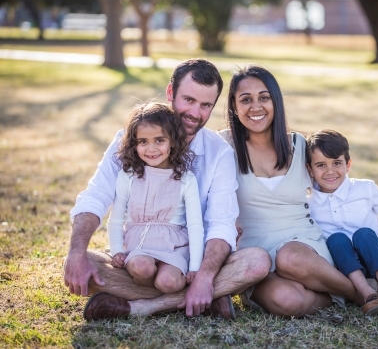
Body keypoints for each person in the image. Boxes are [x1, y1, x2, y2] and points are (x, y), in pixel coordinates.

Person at [63, 59, 271, 321]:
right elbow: (96, 196)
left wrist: (204, 276)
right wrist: (76, 253)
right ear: (170, 92)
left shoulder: (219, 153)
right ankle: (205, 298)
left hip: (195, 261)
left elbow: (221, 224)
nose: (195, 113)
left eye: (206, 105)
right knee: (84, 262)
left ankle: (143, 306)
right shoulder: (129, 139)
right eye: (189, 100)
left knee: (257, 262)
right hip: (141, 260)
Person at [219, 65, 363, 317]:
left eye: (264, 97)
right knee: (288, 300)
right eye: (245, 99)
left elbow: (336, 185)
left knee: (290, 257)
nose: (256, 107)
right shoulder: (222, 146)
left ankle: (364, 295)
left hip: (304, 247)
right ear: (234, 106)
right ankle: (351, 292)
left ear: (276, 101)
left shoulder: (299, 144)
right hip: (255, 256)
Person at [306, 129, 378, 317]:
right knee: (336, 239)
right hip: (346, 272)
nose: (330, 171)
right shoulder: (309, 203)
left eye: (337, 163)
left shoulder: (365, 189)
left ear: (348, 164)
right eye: (321, 165)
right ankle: (369, 295)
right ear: (310, 169)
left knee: (363, 234)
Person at [107, 102, 203, 294]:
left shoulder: (185, 178)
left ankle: (154, 292)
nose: (151, 148)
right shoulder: (128, 176)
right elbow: (116, 219)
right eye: (143, 141)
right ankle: (153, 293)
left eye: (159, 140)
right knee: (143, 268)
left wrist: (194, 267)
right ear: (134, 144)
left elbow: (195, 225)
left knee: (168, 282)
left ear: (173, 141)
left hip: (173, 248)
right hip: (139, 247)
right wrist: (117, 250)